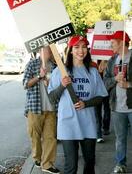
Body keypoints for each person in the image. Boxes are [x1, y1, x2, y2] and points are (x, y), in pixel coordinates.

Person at [48, 35, 108, 174]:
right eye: (76, 47)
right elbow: (52, 98)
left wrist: (85, 103)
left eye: (84, 47)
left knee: (90, 162)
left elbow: (101, 97)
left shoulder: (92, 72)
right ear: (70, 50)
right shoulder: (60, 71)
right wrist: (62, 86)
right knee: (71, 165)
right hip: (68, 124)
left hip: (88, 123)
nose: (81, 50)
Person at [23, 46, 60, 174]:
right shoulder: (32, 64)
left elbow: (58, 87)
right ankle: (37, 158)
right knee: (35, 136)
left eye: (49, 50)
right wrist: (39, 76)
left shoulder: (55, 67)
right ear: (40, 51)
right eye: (45, 49)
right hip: (35, 108)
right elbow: (25, 84)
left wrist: (49, 83)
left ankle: (47, 164)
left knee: (51, 137)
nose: (48, 52)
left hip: (51, 108)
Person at [103, 30, 132, 173]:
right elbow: (105, 82)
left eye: (113, 43)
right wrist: (115, 80)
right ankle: (120, 164)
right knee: (120, 139)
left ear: (121, 42)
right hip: (116, 108)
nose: (111, 46)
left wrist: (129, 84)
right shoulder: (112, 61)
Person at [96, 60, 111, 143]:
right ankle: (101, 132)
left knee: (104, 110)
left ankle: (103, 130)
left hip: (104, 92)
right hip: (100, 93)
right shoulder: (93, 65)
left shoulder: (109, 62)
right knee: (101, 112)